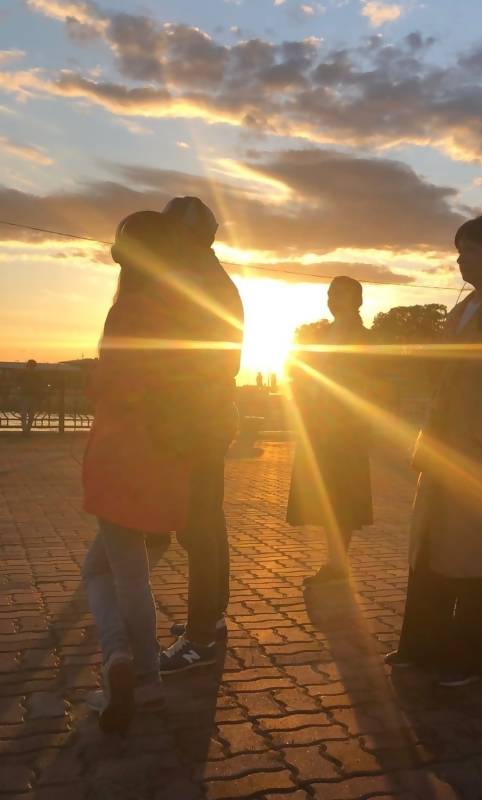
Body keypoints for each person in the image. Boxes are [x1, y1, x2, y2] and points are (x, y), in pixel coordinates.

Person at [385, 216, 482, 687]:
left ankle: (478, 659)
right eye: (459, 250)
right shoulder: (465, 308)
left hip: (480, 452)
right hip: (445, 446)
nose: (459, 259)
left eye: (468, 250)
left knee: (476, 557)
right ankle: (423, 645)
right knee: (431, 546)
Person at [82, 211, 193, 734]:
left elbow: (121, 389)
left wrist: (96, 378)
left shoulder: (127, 312)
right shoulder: (179, 314)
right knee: (121, 569)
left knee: (113, 574)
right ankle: (139, 675)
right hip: (163, 461)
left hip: (120, 459)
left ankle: (125, 663)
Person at [157, 197, 245, 675]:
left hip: (197, 419)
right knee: (208, 520)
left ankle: (200, 637)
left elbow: (198, 360)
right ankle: (211, 616)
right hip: (207, 417)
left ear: (188, 235)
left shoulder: (200, 283)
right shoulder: (211, 279)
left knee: (197, 526)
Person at [286, 276, 373, 585]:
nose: (333, 299)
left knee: (342, 497)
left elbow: (368, 383)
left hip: (345, 427)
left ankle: (338, 565)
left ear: (357, 301)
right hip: (320, 424)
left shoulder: (364, 338)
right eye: (331, 293)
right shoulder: (323, 334)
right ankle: (335, 562)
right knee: (328, 495)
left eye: (341, 294)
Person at [18, 359, 43, 434]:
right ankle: (27, 430)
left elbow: (18, 384)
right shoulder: (36, 375)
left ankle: (25, 430)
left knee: (25, 414)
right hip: (30, 396)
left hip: (26, 396)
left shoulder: (23, 374)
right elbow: (40, 386)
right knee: (29, 415)